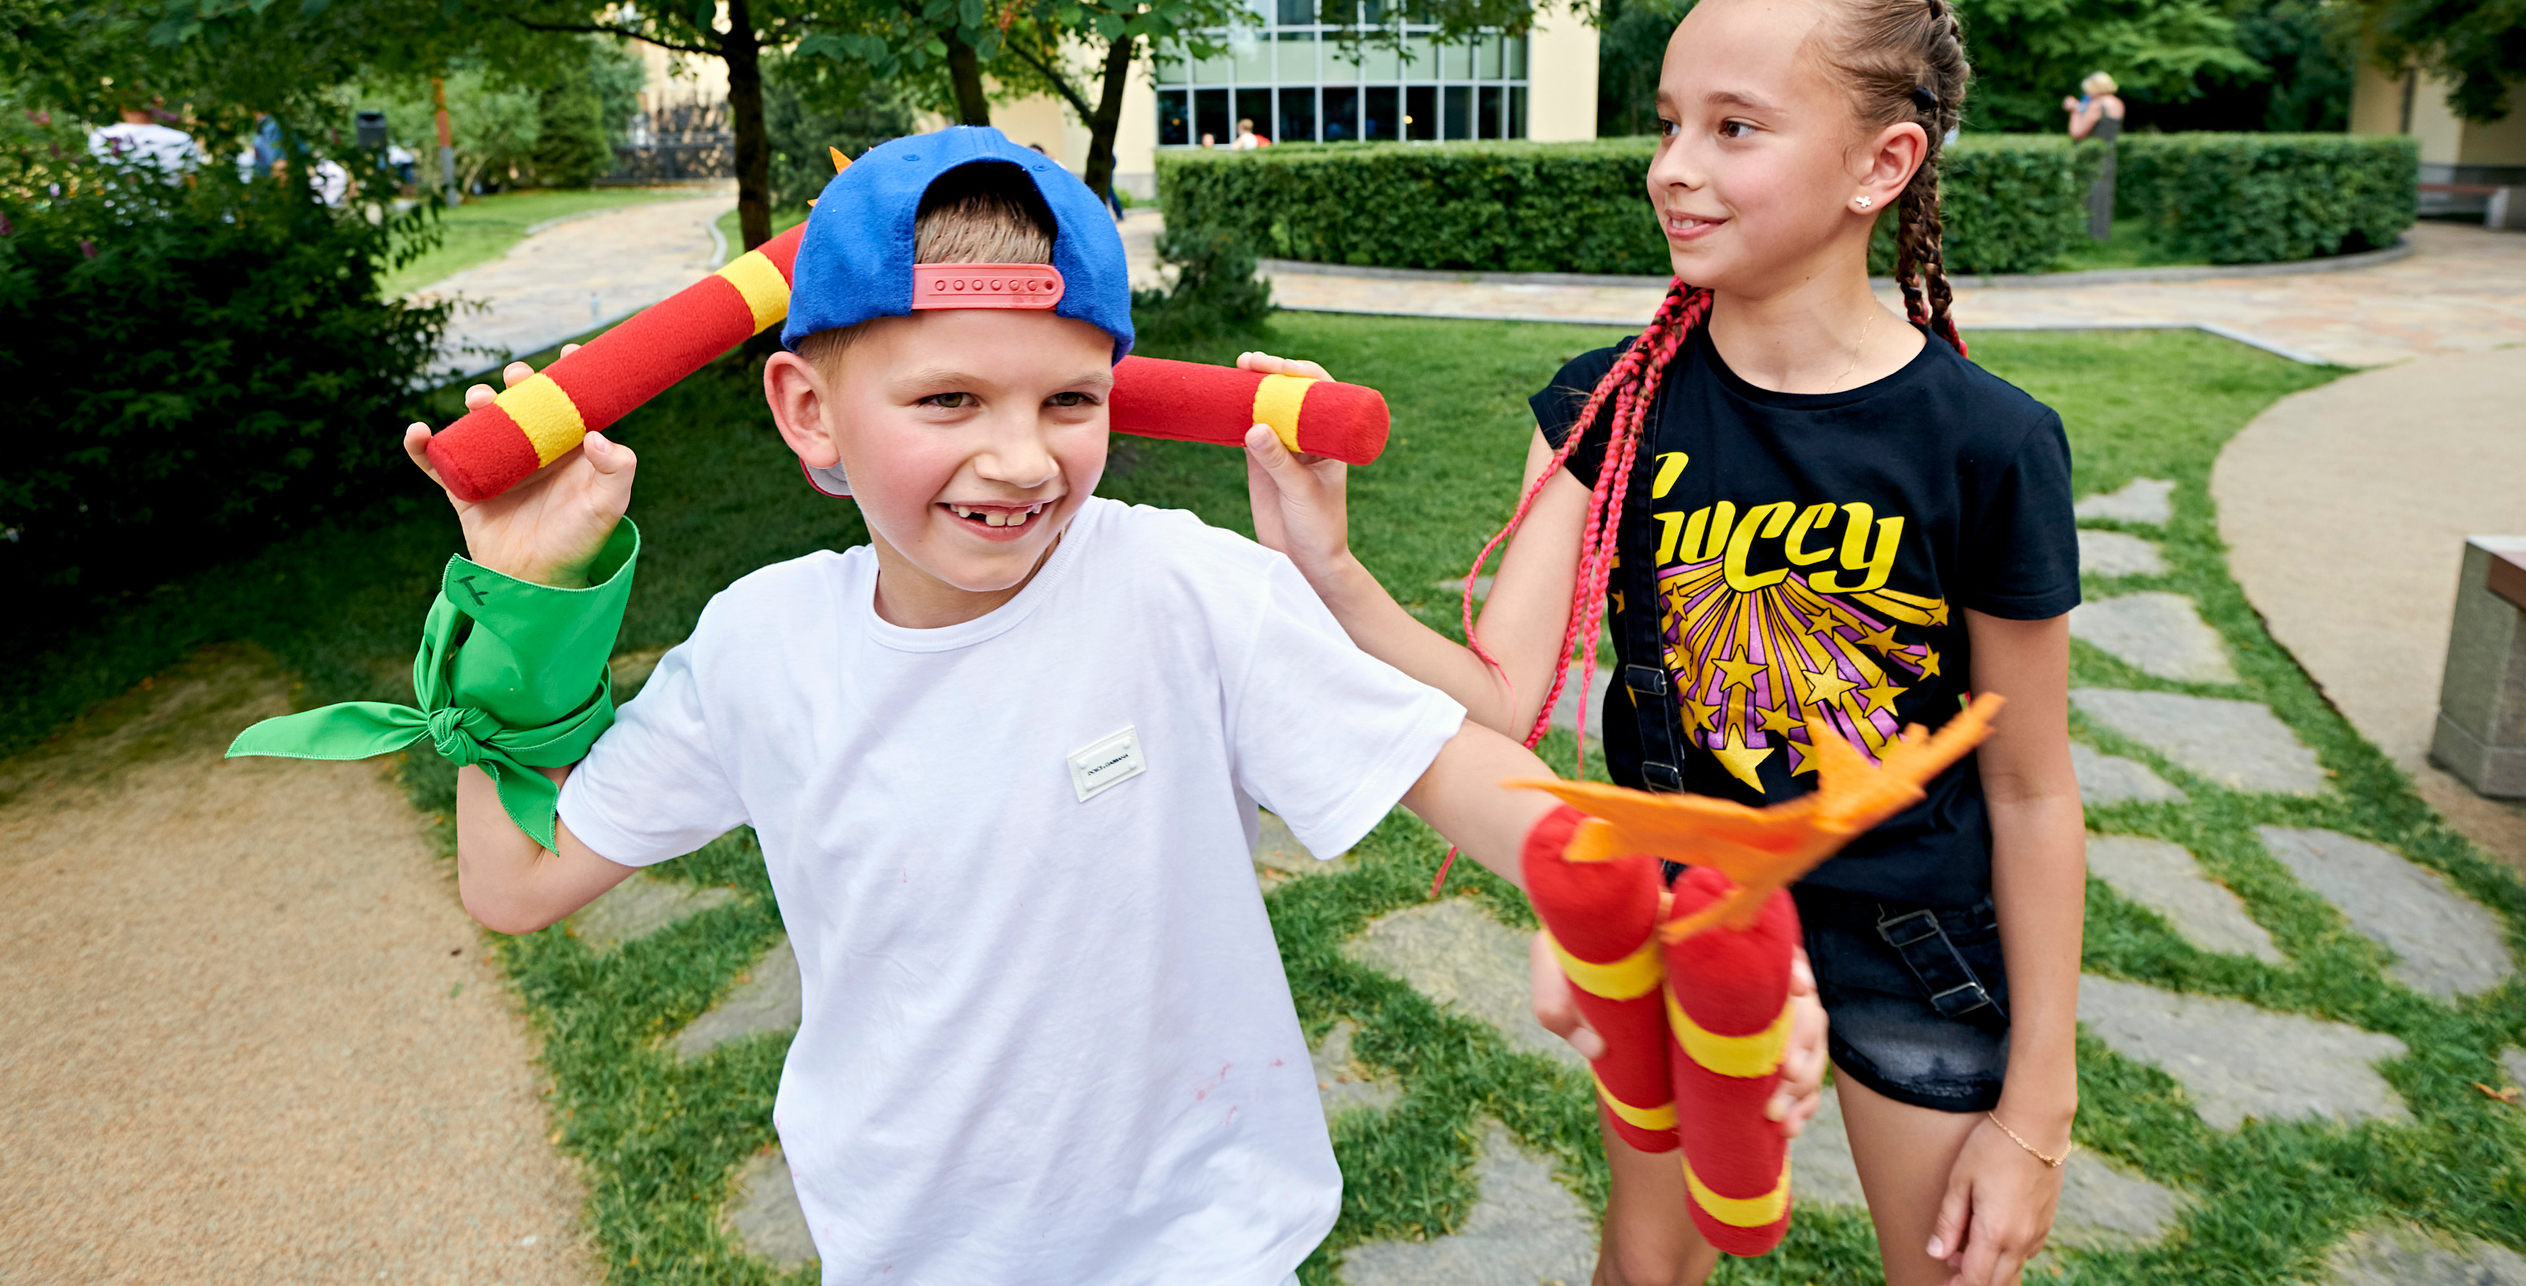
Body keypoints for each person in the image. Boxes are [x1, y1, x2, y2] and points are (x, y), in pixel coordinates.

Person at [388, 126, 1823, 1285]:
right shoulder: (761, 646)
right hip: (906, 1254)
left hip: (1203, 1244)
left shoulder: (1181, 587)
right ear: (808, 410)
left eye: (1070, 401)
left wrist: (1645, 891)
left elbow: (1453, 765)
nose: (1022, 459)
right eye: (948, 400)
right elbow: (517, 882)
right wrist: (521, 608)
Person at [1239, 0, 2082, 1286]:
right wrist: (1330, 567)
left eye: (1733, 127)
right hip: (1684, 917)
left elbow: (2031, 788)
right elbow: (1497, 702)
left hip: (1913, 934)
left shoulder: (1989, 442)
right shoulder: (1606, 407)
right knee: (1646, 1270)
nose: (1673, 166)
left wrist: (2037, 1110)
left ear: (1882, 165)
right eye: (1669, 121)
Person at [2062, 73, 2123, 241]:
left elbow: (2077, 132)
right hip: (2109, 153)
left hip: (2091, 155)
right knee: (2104, 193)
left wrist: (2074, 112)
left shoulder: (2097, 105)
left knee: (2088, 193)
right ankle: (2101, 234)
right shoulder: (2117, 103)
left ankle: (2086, 235)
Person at [88, 99, 198, 178]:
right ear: (157, 104)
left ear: (122, 107)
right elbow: (190, 177)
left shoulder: (101, 136)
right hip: (170, 201)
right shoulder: (181, 139)